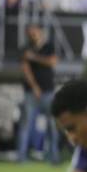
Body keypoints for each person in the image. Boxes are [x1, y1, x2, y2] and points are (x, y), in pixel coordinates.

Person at [17, 24, 60, 164]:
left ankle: (53, 156)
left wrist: (34, 57)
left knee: (52, 125)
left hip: (48, 91)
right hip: (31, 92)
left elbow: (53, 62)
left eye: (35, 32)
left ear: (40, 32)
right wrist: (35, 87)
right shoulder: (25, 48)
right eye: (30, 32)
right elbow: (25, 69)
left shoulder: (48, 46)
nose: (33, 35)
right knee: (26, 125)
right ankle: (21, 157)